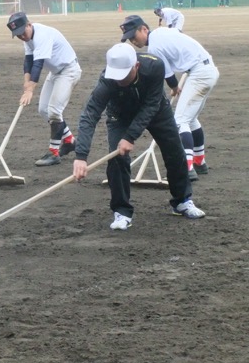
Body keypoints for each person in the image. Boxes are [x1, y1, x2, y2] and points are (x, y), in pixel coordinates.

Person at [72, 43, 205, 230]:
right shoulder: (107, 80)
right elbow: (90, 114)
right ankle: (122, 211)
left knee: (175, 151)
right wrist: (81, 156)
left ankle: (182, 201)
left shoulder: (155, 66)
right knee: (117, 158)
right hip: (119, 115)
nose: (119, 81)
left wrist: (130, 136)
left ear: (136, 66)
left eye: (124, 75)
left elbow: (151, 106)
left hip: (157, 110)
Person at [119, 15, 219, 180]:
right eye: (129, 39)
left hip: (199, 73)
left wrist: (174, 87)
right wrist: (175, 87)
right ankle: (199, 162)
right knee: (190, 119)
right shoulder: (163, 31)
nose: (133, 41)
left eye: (133, 36)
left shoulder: (154, 48)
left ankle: (186, 168)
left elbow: (167, 73)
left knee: (180, 120)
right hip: (207, 70)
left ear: (144, 29)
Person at [6, 11, 81, 166]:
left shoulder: (42, 35)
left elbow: (38, 64)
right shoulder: (27, 36)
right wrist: (26, 83)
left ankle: (54, 153)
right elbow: (28, 61)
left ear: (29, 24)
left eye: (22, 32)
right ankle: (69, 140)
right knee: (43, 109)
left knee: (54, 111)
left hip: (69, 71)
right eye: (18, 35)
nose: (22, 37)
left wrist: (30, 90)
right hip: (55, 72)